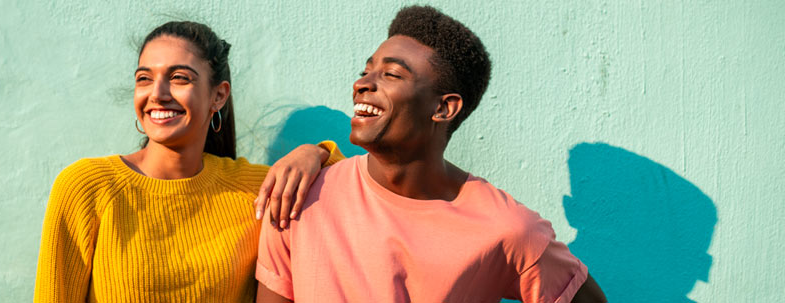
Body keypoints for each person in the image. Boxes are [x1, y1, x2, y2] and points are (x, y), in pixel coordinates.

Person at [255, 6, 607, 303]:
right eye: (366, 70)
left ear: (444, 108)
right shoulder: (298, 198)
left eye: (391, 74)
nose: (362, 83)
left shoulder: (508, 229)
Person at [33, 21, 344, 302]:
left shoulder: (255, 191)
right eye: (144, 78)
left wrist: (315, 153)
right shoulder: (87, 186)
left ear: (218, 96)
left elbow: (358, 191)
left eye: (179, 78)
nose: (157, 93)